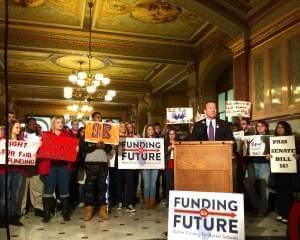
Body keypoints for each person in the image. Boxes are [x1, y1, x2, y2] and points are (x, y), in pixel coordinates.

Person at [39, 116, 74, 223]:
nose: (60, 124)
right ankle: (46, 214)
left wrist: (75, 149)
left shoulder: (68, 136)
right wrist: (40, 146)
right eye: (58, 122)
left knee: (64, 190)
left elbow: (72, 151)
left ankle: (66, 213)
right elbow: (40, 152)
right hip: (50, 166)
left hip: (63, 166)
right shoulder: (47, 136)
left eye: (62, 122)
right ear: (53, 124)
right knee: (48, 190)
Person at [82, 112, 112, 221]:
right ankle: (88, 210)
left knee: (102, 187)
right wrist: (95, 146)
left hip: (103, 163)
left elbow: (109, 149)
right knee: (90, 187)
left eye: (100, 118)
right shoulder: (87, 131)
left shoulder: (106, 132)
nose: (99, 119)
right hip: (90, 163)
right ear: (92, 119)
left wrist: (104, 146)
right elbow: (83, 148)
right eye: (97, 118)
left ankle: (102, 210)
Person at [273, 121, 300, 223]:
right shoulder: (274, 140)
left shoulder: (293, 140)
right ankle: (281, 213)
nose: (279, 129)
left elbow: (298, 153)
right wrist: (269, 156)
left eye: (282, 127)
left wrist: (298, 156)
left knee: (287, 192)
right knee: (279, 191)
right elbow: (272, 154)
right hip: (278, 170)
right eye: (278, 127)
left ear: (286, 129)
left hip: (289, 171)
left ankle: (287, 214)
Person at [243, 120, 271, 216]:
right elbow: (246, 152)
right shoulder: (252, 137)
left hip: (264, 164)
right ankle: (258, 205)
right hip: (252, 164)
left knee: (264, 187)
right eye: (258, 126)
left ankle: (263, 210)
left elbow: (275, 152)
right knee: (247, 183)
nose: (259, 128)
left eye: (262, 126)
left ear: (266, 127)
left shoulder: (270, 138)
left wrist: (271, 156)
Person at [0, 120, 24, 226]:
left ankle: (14, 218)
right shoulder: (2, 140)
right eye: (17, 127)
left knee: (16, 195)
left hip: (18, 171)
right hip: (5, 171)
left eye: (19, 128)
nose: (19, 130)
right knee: (4, 196)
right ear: (11, 128)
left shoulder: (22, 142)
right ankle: (2, 219)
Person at [19, 117, 44, 217]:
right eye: (31, 123)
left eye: (35, 124)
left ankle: (38, 207)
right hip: (24, 167)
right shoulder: (21, 135)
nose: (34, 125)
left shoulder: (40, 136)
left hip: (36, 166)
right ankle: (21, 209)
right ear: (26, 125)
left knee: (37, 189)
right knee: (23, 190)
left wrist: (40, 133)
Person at [116, 122, 136, 212]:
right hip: (119, 162)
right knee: (119, 183)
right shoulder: (115, 138)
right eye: (121, 126)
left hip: (129, 162)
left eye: (124, 126)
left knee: (130, 183)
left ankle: (129, 203)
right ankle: (120, 201)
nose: (123, 127)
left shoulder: (131, 138)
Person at [142, 124, 159, 209]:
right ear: (146, 131)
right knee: (147, 184)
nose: (150, 131)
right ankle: (146, 201)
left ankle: (152, 202)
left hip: (155, 165)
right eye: (149, 129)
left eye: (152, 129)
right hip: (145, 165)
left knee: (153, 184)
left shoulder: (158, 140)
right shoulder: (142, 140)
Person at [165, 128, 177, 203]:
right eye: (170, 134)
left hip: (176, 165)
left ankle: (175, 201)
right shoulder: (165, 143)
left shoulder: (178, 142)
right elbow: (164, 152)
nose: (172, 136)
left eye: (173, 134)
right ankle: (168, 201)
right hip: (168, 164)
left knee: (175, 184)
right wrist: (169, 148)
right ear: (168, 135)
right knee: (169, 183)